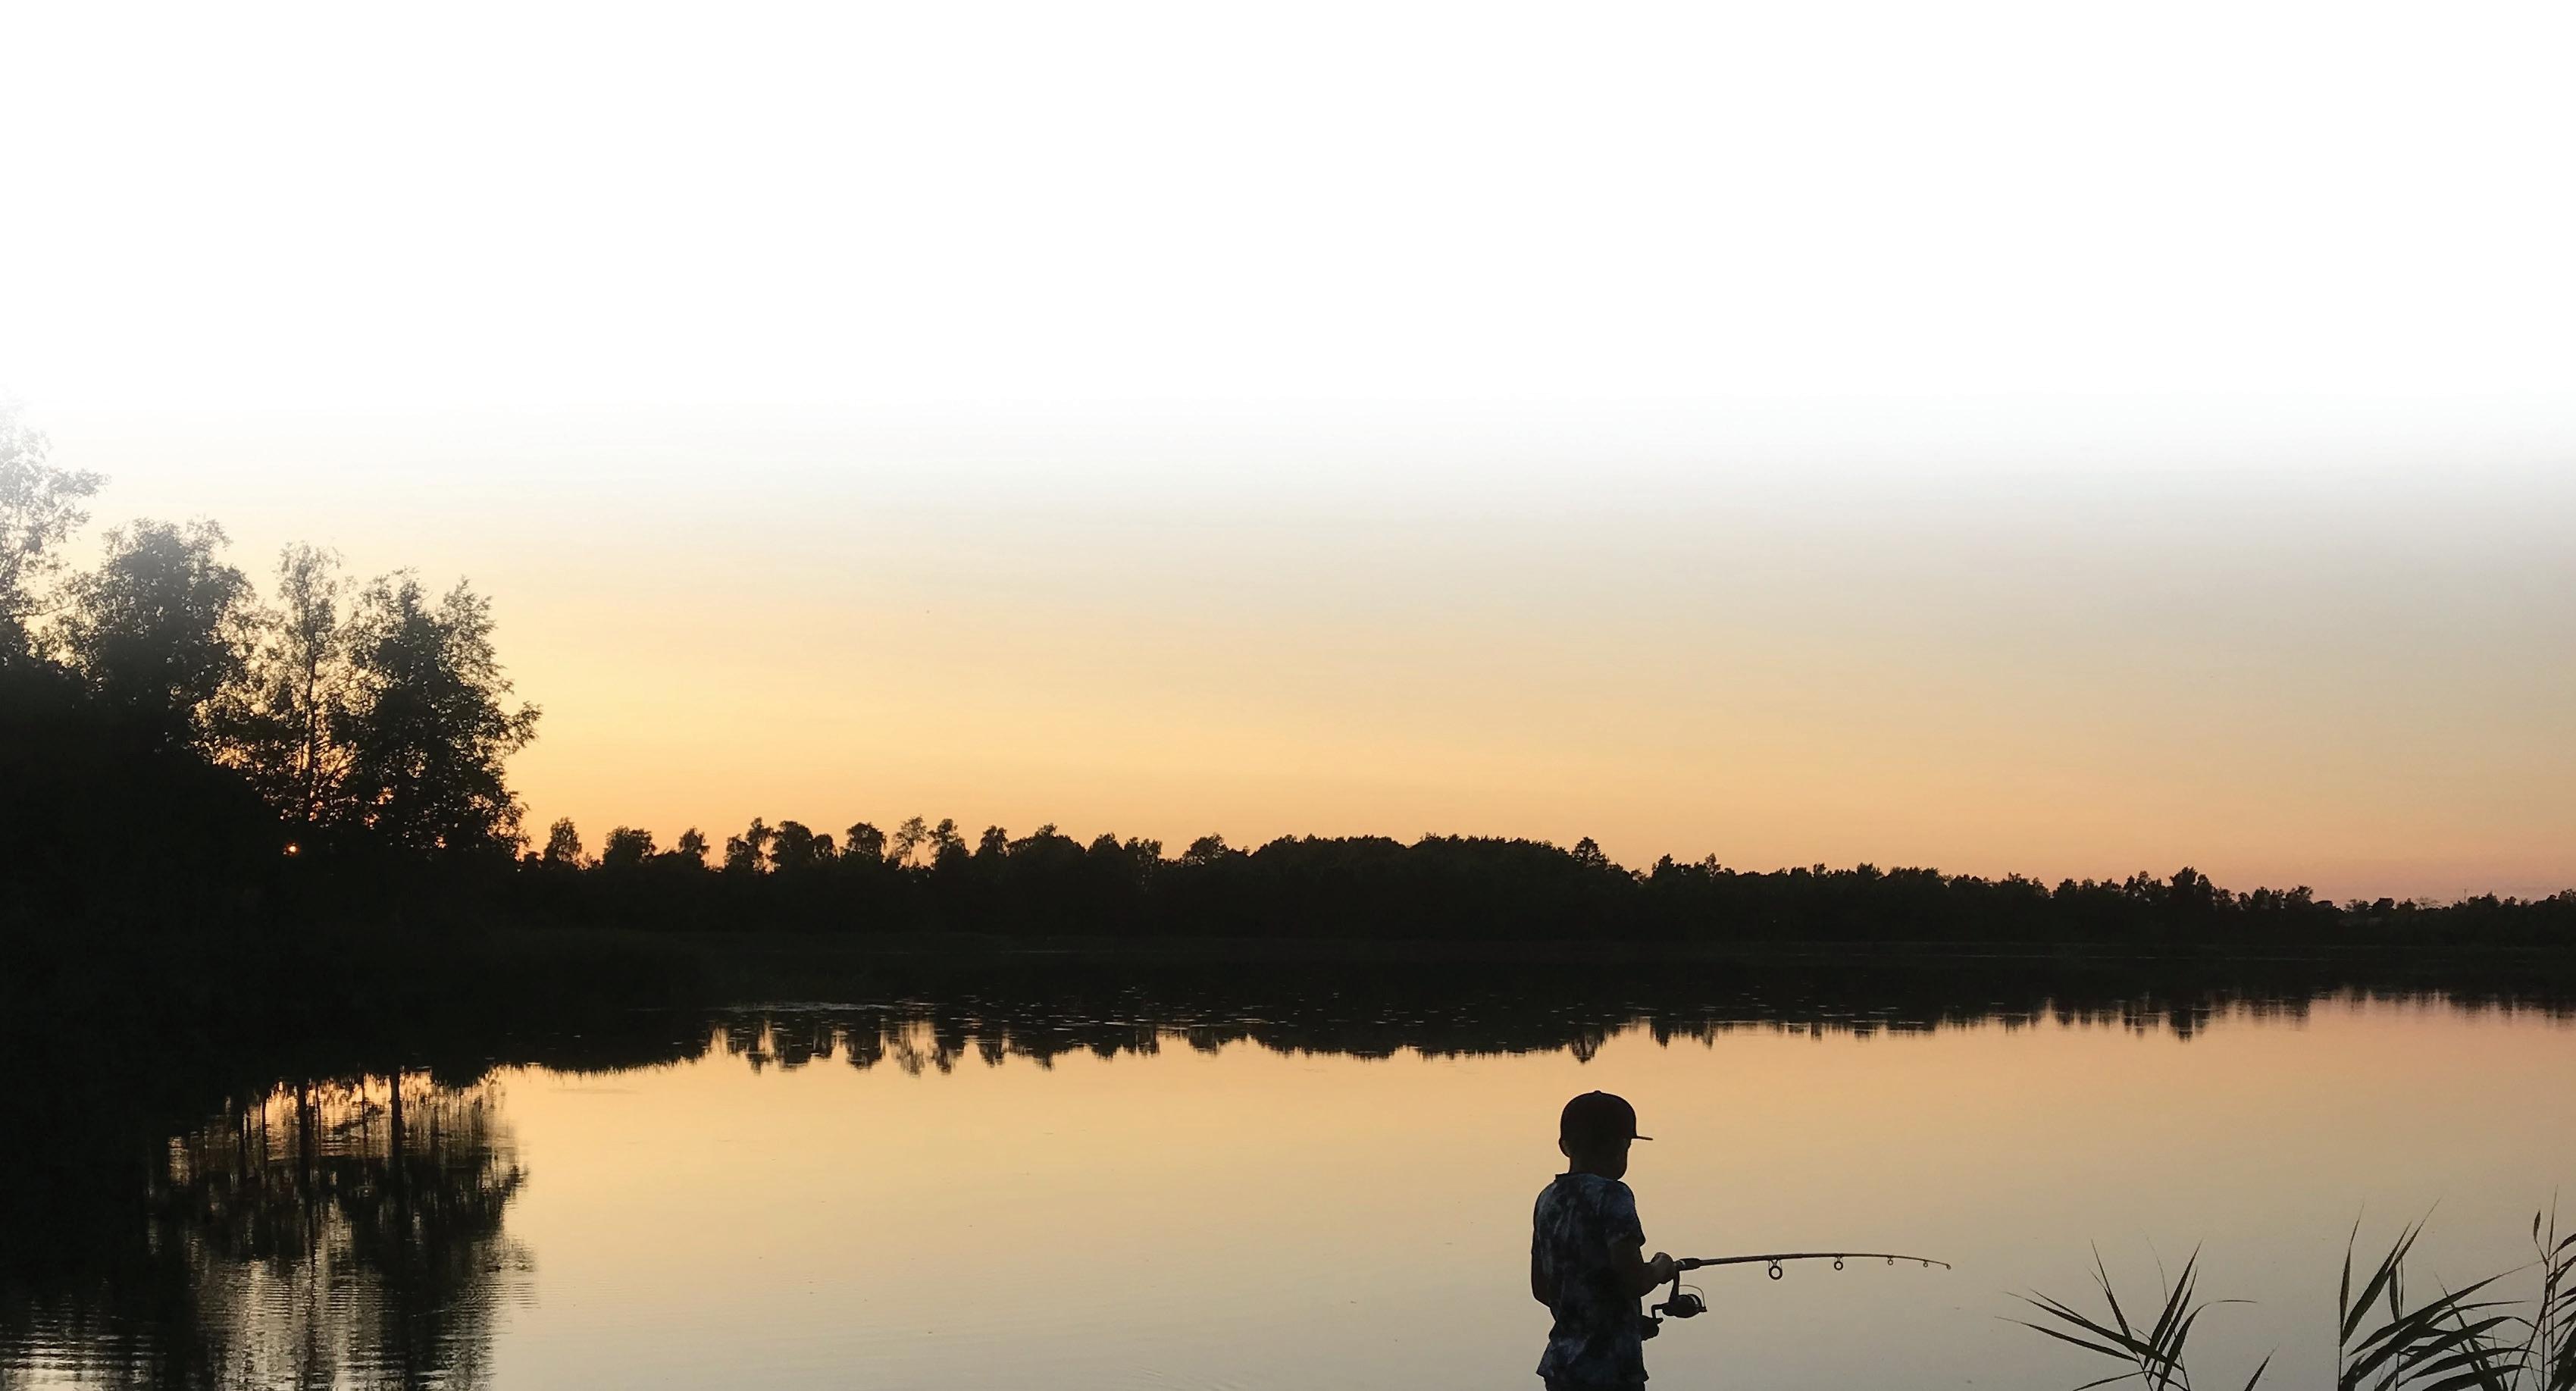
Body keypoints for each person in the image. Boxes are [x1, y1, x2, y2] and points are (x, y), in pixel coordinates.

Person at [1530, 1090, 1677, 1391]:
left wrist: (1621, 1322)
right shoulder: (1614, 1195)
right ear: (1622, 1145)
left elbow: (1542, 1289)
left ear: (1564, 1146)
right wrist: (1662, 1267)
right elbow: (1635, 1281)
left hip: (1561, 1368)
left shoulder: (1548, 1199)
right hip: (1612, 1372)